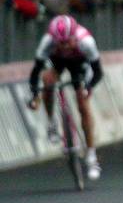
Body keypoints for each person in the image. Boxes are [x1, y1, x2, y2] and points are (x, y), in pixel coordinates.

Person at [27, 15, 104, 180]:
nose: (65, 46)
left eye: (68, 42)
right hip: (57, 62)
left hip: (80, 64)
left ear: (74, 37)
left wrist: (88, 87)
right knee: (47, 80)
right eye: (60, 43)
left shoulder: (86, 42)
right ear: (54, 39)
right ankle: (52, 122)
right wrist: (34, 95)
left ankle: (92, 157)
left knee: (83, 104)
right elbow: (35, 73)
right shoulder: (47, 42)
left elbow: (98, 72)